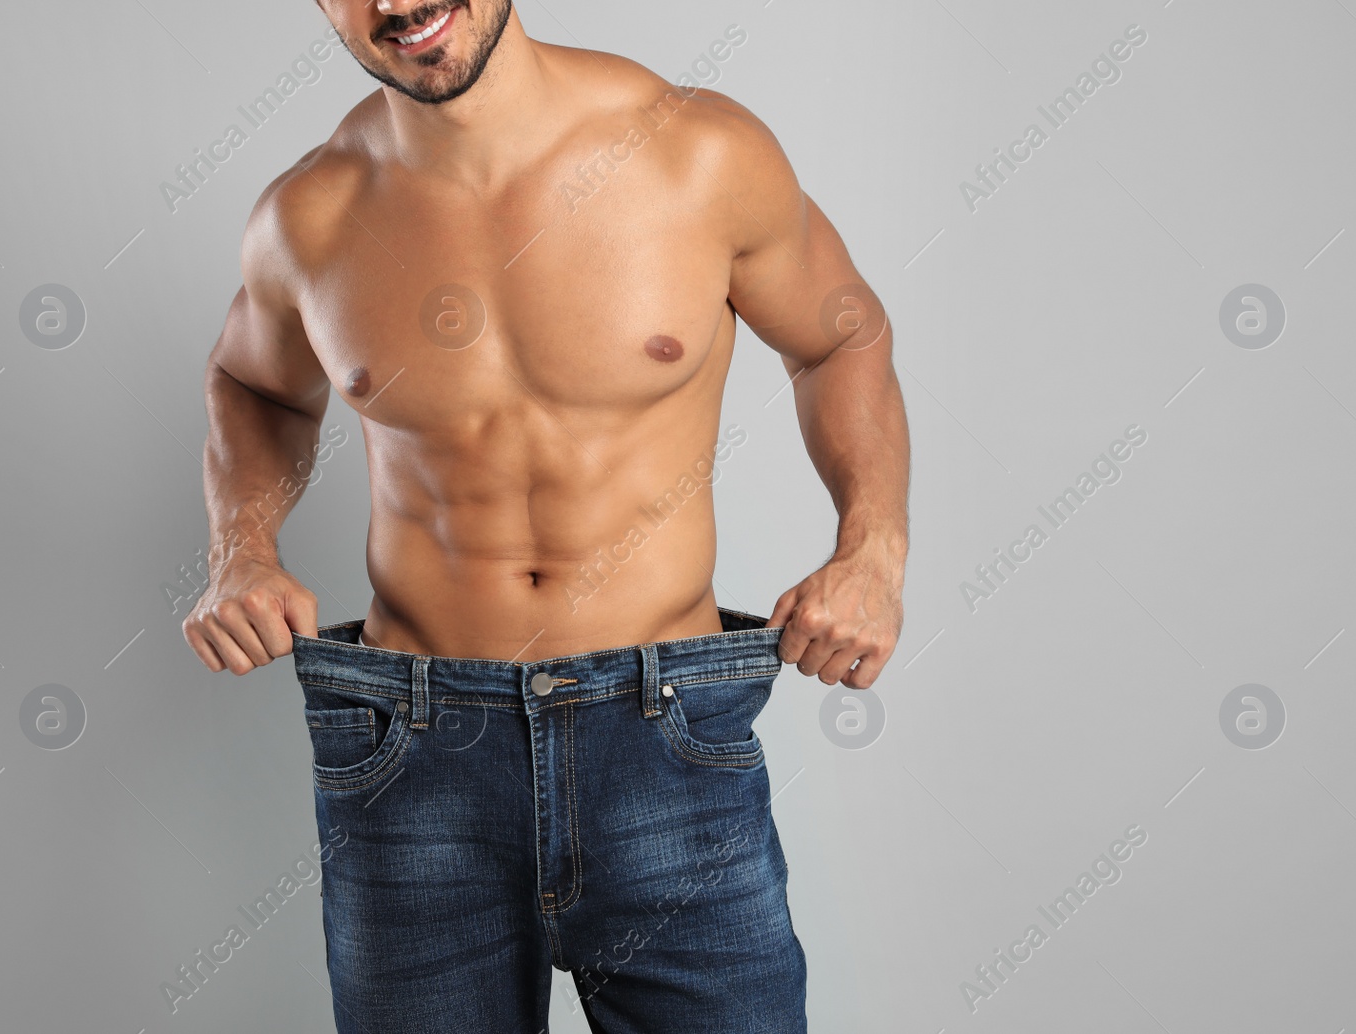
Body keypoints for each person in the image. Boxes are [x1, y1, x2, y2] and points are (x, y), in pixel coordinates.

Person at [183, 1, 909, 1029]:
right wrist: (240, 549)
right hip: (412, 751)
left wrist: (870, 550)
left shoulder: (696, 152)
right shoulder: (311, 213)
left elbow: (842, 335)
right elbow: (251, 383)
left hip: (663, 737)